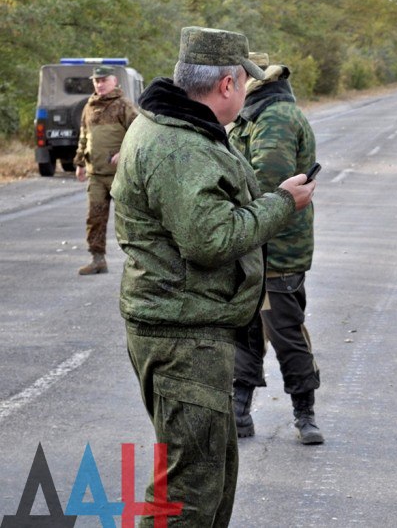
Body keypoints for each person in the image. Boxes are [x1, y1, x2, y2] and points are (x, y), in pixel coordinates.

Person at [112, 27, 316, 527]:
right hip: (183, 336)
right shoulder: (178, 146)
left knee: (209, 476)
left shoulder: (174, 128)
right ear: (227, 85)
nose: (246, 91)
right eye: (243, 83)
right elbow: (212, 240)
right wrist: (282, 202)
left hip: (189, 329)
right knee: (185, 493)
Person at [229, 52, 324, 445]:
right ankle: (239, 411)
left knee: (284, 330)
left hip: (275, 246)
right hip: (254, 242)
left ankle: (305, 411)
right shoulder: (257, 112)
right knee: (246, 329)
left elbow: (270, 181)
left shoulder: (274, 116)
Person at [73, 65, 138, 275]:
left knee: (129, 219)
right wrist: (80, 163)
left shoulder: (123, 105)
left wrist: (123, 152)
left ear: (114, 81)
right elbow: (84, 136)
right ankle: (97, 259)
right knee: (95, 219)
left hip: (120, 176)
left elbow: (138, 133)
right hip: (96, 175)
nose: (99, 84)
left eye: (103, 80)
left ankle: (139, 262)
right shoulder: (89, 106)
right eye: (96, 81)